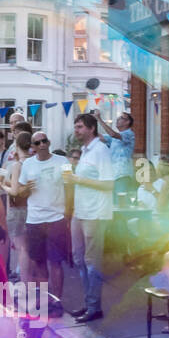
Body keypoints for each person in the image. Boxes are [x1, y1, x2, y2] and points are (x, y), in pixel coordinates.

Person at [62, 114, 114, 322]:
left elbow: (109, 184)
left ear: (91, 128)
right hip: (81, 211)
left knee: (92, 261)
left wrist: (77, 179)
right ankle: (88, 302)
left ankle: (94, 307)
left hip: (95, 212)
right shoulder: (85, 150)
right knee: (78, 259)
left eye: (80, 127)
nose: (76, 130)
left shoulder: (101, 150)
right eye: (75, 126)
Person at [17, 131, 70, 317]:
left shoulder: (62, 161)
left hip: (56, 218)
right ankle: (46, 301)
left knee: (56, 262)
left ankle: (57, 302)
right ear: (32, 146)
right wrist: (25, 189)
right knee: (39, 262)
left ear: (49, 142)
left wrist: (68, 213)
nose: (42, 145)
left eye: (44, 141)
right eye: (37, 143)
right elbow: (20, 191)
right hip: (35, 219)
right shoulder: (28, 164)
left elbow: (70, 187)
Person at [0, 131, 33, 282]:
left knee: (21, 248)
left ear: (17, 145)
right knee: (28, 247)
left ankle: (24, 282)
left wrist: (2, 185)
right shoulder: (34, 162)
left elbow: (14, 191)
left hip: (16, 208)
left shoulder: (17, 165)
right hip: (31, 207)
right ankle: (30, 281)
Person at [97, 112, 138, 197]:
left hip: (123, 175)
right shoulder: (115, 137)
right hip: (114, 175)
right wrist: (89, 123)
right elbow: (99, 137)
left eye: (121, 118)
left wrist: (99, 119)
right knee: (115, 202)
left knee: (121, 201)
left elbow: (112, 134)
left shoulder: (129, 133)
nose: (117, 119)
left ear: (127, 122)